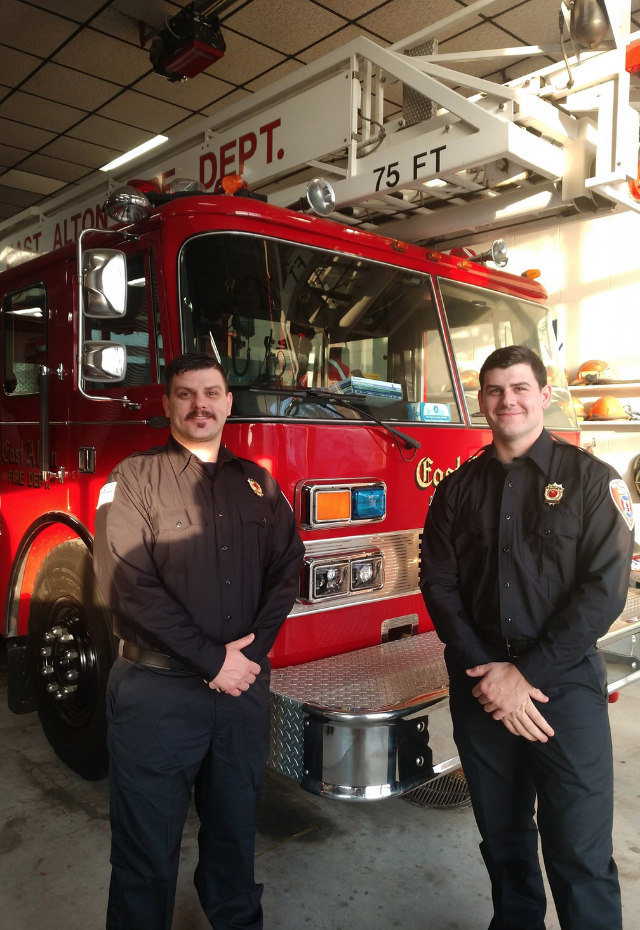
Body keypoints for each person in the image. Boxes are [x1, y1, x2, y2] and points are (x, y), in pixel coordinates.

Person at [420, 345, 634, 930]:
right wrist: (490, 676)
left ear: (544, 395)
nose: (507, 400)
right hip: (481, 685)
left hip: (562, 687)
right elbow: (437, 583)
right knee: (505, 841)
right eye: (494, 390)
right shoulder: (456, 489)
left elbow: (604, 591)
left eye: (519, 388)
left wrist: (525, 676)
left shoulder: (593, 482)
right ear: (481, 402)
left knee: (579, 849)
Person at [93, 352, 305, 930]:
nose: (200, 405)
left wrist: (247, 659)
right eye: (186, 394)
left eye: (211, 393)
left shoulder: (258, 484)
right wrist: (214, 660)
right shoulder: (132, 479)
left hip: (240, 696)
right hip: (156, 695)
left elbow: (288, 567)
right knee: (144, 850)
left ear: (229, 403)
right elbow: (124, 583)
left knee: (235, 836)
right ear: (167, 404)